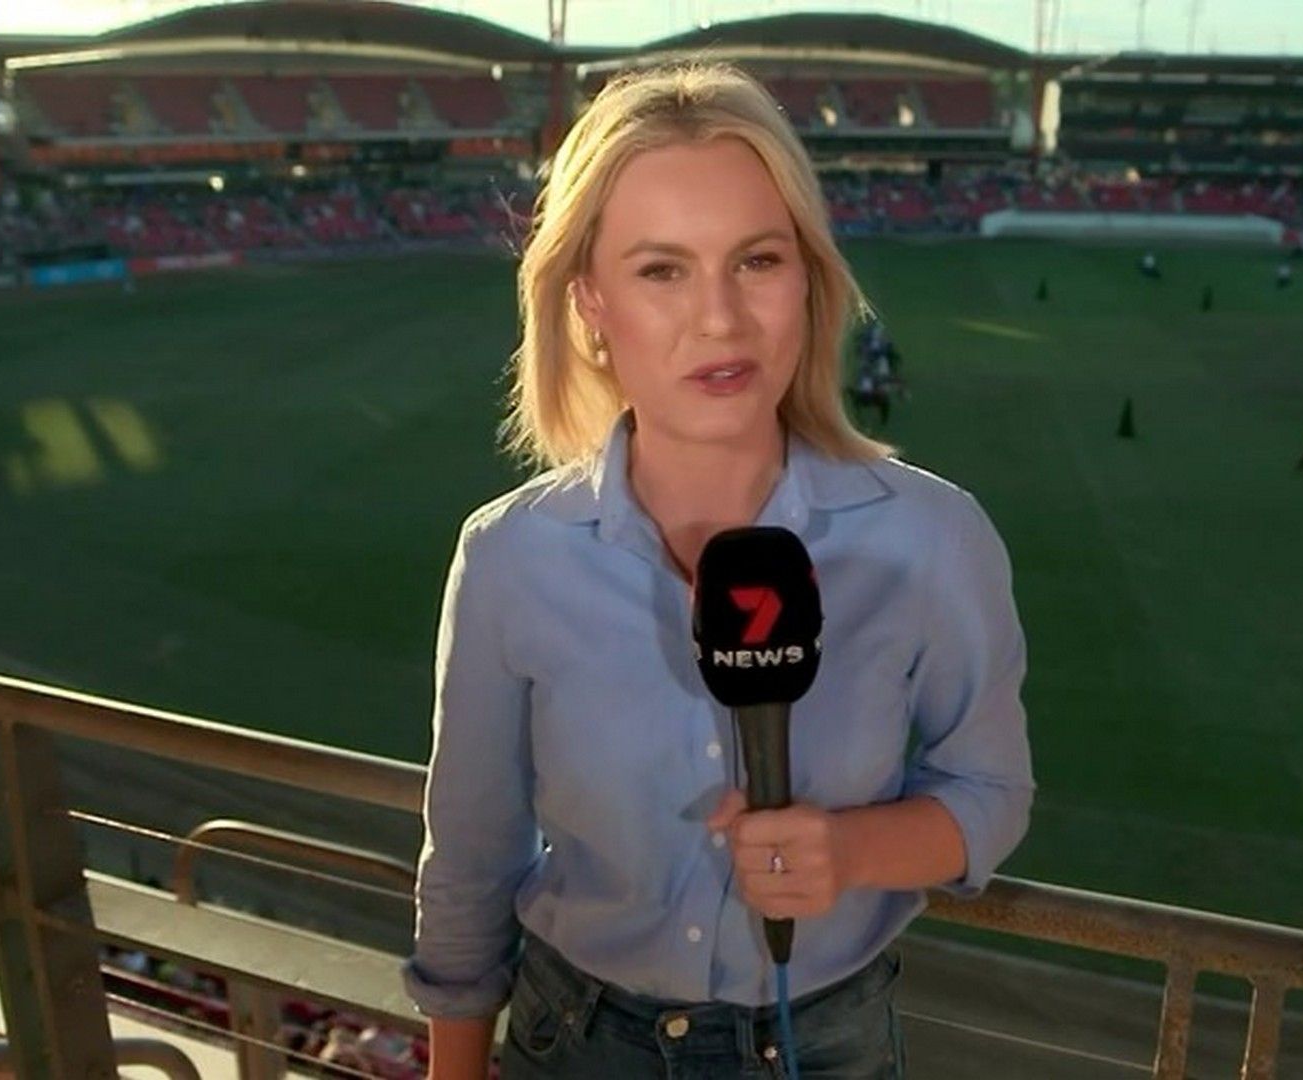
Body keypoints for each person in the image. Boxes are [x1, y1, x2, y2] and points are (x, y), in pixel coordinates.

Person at [407, 63, 1035, 1080]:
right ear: (590, 300)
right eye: (662, 270)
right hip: (571, 1044)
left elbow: (991, 790)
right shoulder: (511, 555)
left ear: (809, 278)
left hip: (827, 1047)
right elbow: (471, 857)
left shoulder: (932, 537)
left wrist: (852, 851)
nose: (721, 319)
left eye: (758, 260)